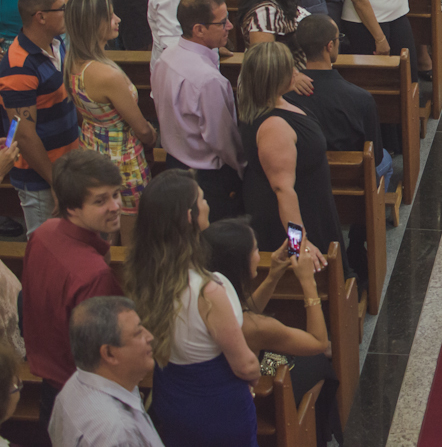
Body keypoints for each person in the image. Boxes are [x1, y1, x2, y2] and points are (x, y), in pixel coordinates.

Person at [125, 169, 261, 446]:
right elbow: (246, 365)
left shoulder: (144, 273)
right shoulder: (207, 292)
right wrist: (255, 377)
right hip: (217, 409)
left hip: (171, 396)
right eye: (201, 199)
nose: (207, 203)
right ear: (189, 216)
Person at [201, 218, 340, 445]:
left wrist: (273, 275)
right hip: (256, 397)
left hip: (215, 389)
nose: (260, 254)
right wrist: (307, 282)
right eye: (256, 249)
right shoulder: (258, 327)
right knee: (320, 362)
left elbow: (246, 310)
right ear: (241, 264)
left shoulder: (209, 293)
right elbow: (319, 342)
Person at [22, 151, 122, 425]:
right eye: (100, 200)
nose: (115, 206)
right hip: (86, 397)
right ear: (72, 208)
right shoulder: (93, 275)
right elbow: (106, 353)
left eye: (116, 194)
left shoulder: (44, 232)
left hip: (50, 385)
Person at [238, 42, 345, 278]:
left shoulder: (269, 99)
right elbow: (283, 190)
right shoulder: (274, 127)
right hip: (295, 214)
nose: (297, 72)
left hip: (312, 202)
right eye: (290, 69)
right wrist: (299, 245)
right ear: (274, 79)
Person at [65, 0, 156, 236]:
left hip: (93, 150)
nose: (118, 19)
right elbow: (140, 128)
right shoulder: (107, 75)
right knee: (132, 240)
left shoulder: (73, 62)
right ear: (94, 24)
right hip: (123, 162)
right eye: (110, 15)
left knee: (105, 236)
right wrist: (152, 137)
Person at [152, 0, 245, 221]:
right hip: (208, 178)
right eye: (222, 22)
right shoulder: (208, 80)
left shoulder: (166, 57)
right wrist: (243, 169)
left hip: (175, 162)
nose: (230, 26)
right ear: (199, 30)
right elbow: (222, 140)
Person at [288, 13, 395, 185]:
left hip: (304, 180)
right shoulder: (361, 98)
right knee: (387, 160)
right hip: (351, 180)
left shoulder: (286, 95)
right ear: (330, 46)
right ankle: (377, 209)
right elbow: (375, 156)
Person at [48, 296, 163, 447]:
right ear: (109, 353)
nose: (150, 337)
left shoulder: (76, 382)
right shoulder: (118, 432)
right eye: (138, 333)